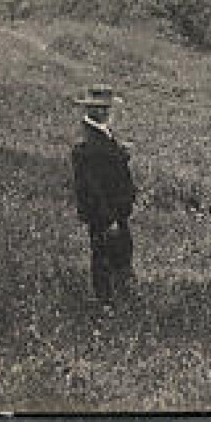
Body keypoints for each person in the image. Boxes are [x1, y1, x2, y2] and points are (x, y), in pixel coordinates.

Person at [69, 84, 136, 308]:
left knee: (120, 258)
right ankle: (107, 306)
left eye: (107, 107)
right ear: (90, 110)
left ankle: (117, 305)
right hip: (106, 215)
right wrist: (109, 219)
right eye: (101, 108)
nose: (107, 112)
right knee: (106, 260)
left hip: (116, 213)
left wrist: (120, 153)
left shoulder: (101, 135)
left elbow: (107, 165)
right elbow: (91, 187)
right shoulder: (87, 142)